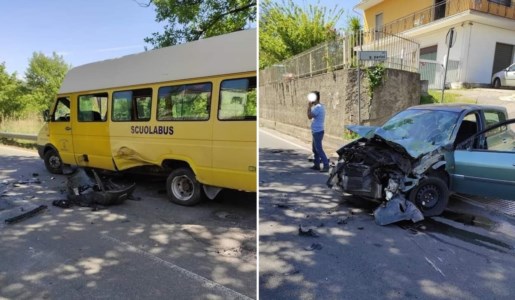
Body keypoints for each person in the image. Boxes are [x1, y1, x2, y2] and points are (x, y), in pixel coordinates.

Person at [307, 91, 329, 172]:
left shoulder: (317, 108)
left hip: (317, 131)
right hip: (317, 130)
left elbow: (309, 116)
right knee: (315, 149)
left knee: (319, 149)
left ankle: (326, 165)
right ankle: (317, 165)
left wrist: (309, 107)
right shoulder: (320, 106)